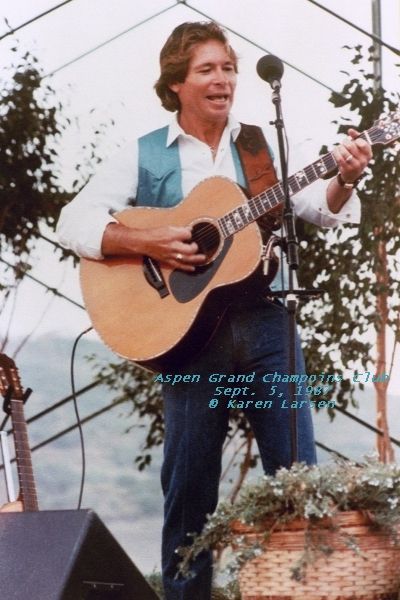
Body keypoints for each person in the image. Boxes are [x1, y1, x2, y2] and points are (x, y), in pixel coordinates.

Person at [57, 21, 372, 600]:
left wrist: (346, 178)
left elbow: (318, 208)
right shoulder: (144, 152)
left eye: (228, 68)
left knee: (299, 480)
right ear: (176, 83)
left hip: (266, 323)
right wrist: (148, 241)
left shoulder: (259, 146)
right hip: (190, 339)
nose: (222, 79)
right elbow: (72, 222)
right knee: (189, 490)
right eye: (207, 69)